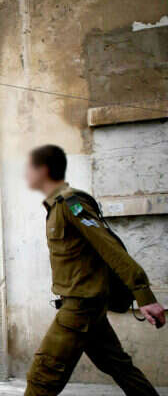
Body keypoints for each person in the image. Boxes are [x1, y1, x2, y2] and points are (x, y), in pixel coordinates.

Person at [23, 144, 166, 396]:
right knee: (119, 367)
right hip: (87, 307)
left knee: (42, 377)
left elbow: (109, 247)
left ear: (43, 170)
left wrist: (143, 294)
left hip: (80, 308)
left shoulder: (71, 204)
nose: (25, 174)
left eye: (28, 168)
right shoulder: (56, 206)